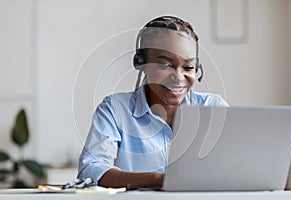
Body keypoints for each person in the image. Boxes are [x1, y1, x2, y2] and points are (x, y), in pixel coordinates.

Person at [77, 16, 228, 188]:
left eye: (188, 67)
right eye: (165, 65)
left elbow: (240, 165)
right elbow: (91, 170)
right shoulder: (115, 109)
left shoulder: (214, 108)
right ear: (141, 63)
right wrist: (160, 180)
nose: (178, 77)